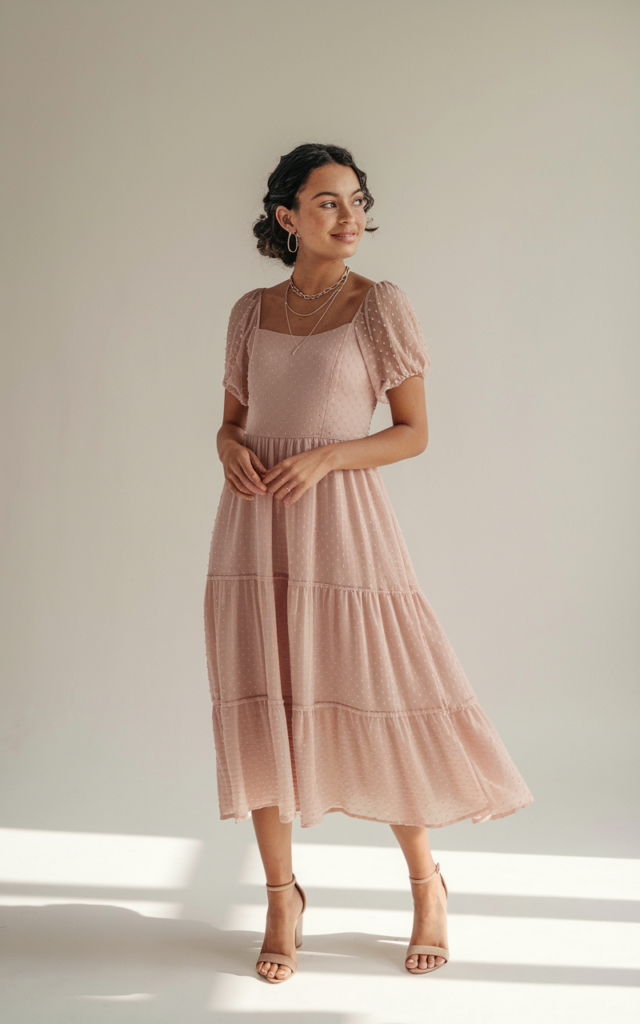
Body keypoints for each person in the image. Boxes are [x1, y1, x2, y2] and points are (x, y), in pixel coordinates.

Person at [203, 142, 533, 984]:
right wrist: (227, 448)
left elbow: (413, 432)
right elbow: (232, 421)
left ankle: (428, 887)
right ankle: (283, 898)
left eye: (355, 201)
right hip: (254, 528)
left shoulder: (379, 305)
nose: (350, 218)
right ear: (287, 218)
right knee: (264, 702)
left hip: (342, 528)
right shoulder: (249, 311)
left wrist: (327, 458)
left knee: (380, 696)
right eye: (326, 204)